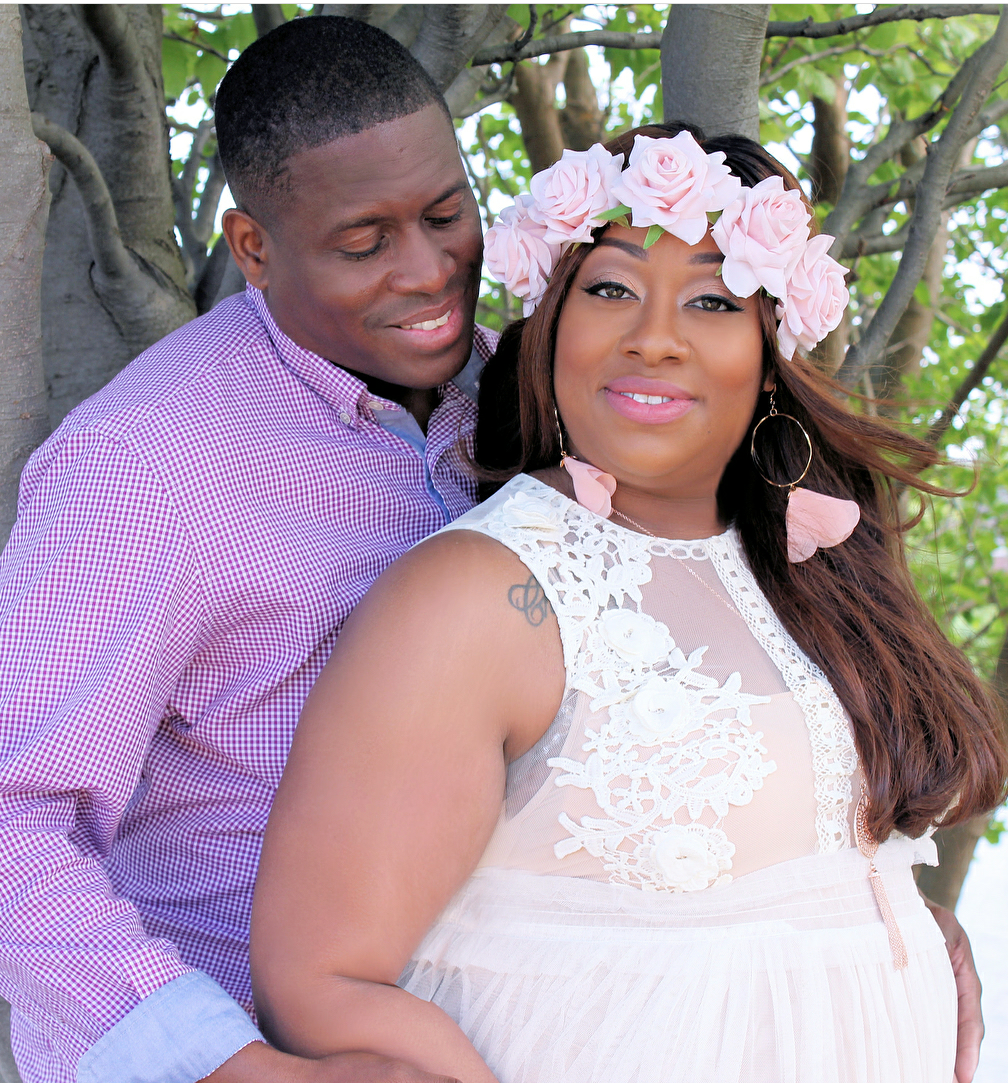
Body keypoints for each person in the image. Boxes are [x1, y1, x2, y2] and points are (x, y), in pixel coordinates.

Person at [249, 126, 1008, 1083]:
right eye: (610, 289)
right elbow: (318, 980)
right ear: (551, 325)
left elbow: (778, 882)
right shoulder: (478, 594)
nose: (654, 336)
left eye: (713, 300)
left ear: (769, 352)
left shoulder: (813, 563)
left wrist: (904, 927)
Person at [0, 17, 488, 1083]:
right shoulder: (149, 464)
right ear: (253, 248)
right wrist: (241, 1068)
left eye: (446, 214)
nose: (427, 271)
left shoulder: (520, 398)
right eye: (363, 243)